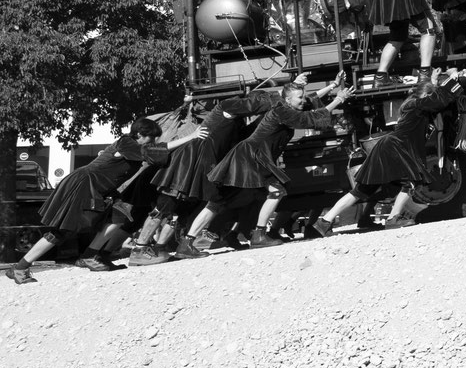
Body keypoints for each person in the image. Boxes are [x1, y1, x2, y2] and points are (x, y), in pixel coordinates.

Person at [187, 77, 349, 251]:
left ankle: (190, 242)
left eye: (302, 97)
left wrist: (331, 85)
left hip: (251, 157)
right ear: (288, 100)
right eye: (299, 98)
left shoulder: (287, 108)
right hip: (251, 157)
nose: (303, 100)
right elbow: (309, 118)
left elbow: (309, 104)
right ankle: (258, 235)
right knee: (275, 191)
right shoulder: (282, 111)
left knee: (229, 200)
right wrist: (338, 99)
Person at [6, 120, 167, 284]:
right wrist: (190, 136)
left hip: (102, 188)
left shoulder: (137, 148)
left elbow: (157, 155)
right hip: (84, 184)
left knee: (119, 216)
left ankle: (90, 256)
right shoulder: (126, 142)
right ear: (139, 134)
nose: (153, 142)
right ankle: (20, 268)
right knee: (62, 230)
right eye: (151, 137)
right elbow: (156, 152)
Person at [126, 92, 277, 265]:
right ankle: (139, 249)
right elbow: (253, 106)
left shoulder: (237, 123)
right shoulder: (225, 108)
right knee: (164, 207)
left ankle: (160, 248)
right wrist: (279, 98)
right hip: (186, 165)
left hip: (200, 168)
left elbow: (247, 133)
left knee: (180, 214)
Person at [314, 68, 466, 234]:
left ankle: (324, 221)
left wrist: (434, 81)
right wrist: (452, 80)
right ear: (425, 95)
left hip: (389, 147)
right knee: (412, 181)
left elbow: (434, 98)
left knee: (362, 190)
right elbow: (439, 100)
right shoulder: (417, 105)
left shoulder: (413, 104)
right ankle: (393, 218)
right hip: (396, 148)